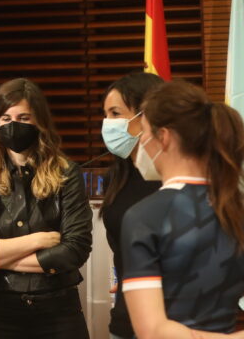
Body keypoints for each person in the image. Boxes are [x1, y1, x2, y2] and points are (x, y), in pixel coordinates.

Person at [121, 81, 244, 338]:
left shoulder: (144, 217)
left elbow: (152, 331)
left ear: (164, 137)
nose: (141, 143)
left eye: (144, 133)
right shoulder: (240, 219)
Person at [0, 78, 93, 339]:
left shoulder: (67, 174)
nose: (13, 125)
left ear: (39, 121)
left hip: (58, 309)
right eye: (6, 118)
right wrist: (36, 241)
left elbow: (75, 250)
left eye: (23, 117)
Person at [100, 72, 163, 339]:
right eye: (105, 115)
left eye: (115, 114)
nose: (108, 123)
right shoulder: (116, 176)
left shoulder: (176, 175)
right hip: (125, 321)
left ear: (146, 116)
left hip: (174, 322)